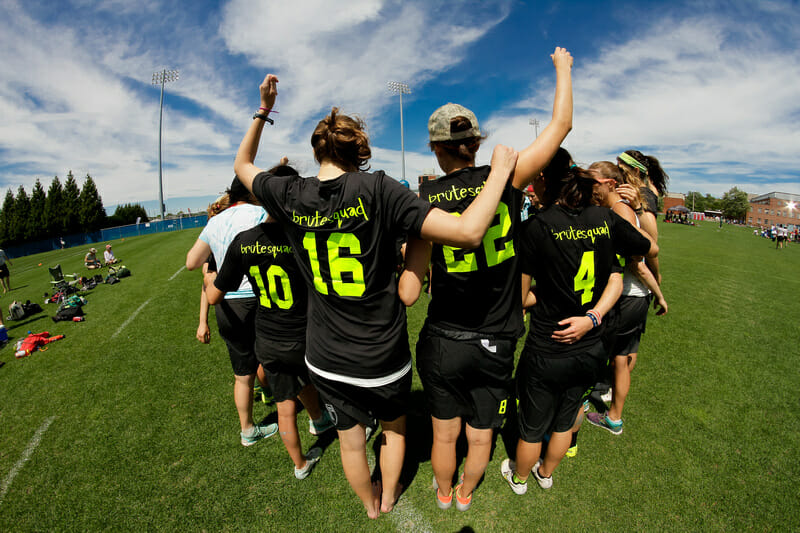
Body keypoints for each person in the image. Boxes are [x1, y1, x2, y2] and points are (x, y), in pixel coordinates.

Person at [234, 74, 518, 519]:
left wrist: (263, 110)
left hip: (324, 354)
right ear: (359, 151)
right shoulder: (380, 188)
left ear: (317, 151)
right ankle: (388, 496)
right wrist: (499, 172)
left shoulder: (289, 192)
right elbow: (467, 232)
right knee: (394, 430)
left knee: (351, 440)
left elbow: (242, 166)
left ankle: (369, 506)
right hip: (381, 352)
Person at [403, 47, 573, 512]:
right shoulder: (509, 175)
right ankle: (464, 494)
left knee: (444, 432)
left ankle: (442, 492)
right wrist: (562, 68)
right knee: (481, 438)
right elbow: (560, 127)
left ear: (436, 149)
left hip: (443, 336)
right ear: (476, 143)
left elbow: (411, 291)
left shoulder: (423, 199)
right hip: (497, 338)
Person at [500, 148, 658, 495]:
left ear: (543, 179)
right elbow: (649, 248)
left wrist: (548, 296)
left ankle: (521, 477)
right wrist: (638, 209)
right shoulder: (604, 218)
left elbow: (520, 297)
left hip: (549, 344)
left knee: (530, 426)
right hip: (591, 343)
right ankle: (546, 474)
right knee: (566, 418)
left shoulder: (537, 227)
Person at [206, 161, 333, 481]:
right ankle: (329, 425)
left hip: (268, 336)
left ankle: (300, 464)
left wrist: (208, 280)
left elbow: (214, 297)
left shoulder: (244, 240)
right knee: (328, 387)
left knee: (285, 405)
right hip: (305, 332)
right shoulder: (304, 236)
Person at [186, 177, 278, 447]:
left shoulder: (215, 221)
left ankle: (247, 430)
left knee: (242, 374)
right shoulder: (260, 212)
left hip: (226, 302)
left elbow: (192, 262)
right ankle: (309, 414)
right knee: (275, 358)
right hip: (258, 295)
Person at [585, 162, 667, 436]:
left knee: (605, 354)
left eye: (593, 183)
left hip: (627, 297)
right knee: (623, 358)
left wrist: (658, 292)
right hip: (636, 296)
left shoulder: (619, 212)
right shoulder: (621, 209)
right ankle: (614, 417)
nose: (589, 188)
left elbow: (638, 261)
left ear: (609, 184)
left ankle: (592, 406)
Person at [615, 150, 669, 285]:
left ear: (636, 171)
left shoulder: (643, 194)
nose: (617, 172)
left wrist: (637, 206)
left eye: (620, 168)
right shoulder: (638, 190)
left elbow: (651, 239)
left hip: (637, 280)